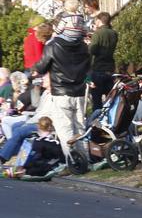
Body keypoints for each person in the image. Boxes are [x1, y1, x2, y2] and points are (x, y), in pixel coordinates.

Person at [31, 16, 90, 161]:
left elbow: (43, 66)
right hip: (80, 92)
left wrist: (35, 69)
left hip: (61, 91)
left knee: (65, 128)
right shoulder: (83, 46)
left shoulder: (53, 45)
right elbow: (88, 66)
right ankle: (85, 158)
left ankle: (72, 162)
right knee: (80, 127)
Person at [88, 12, 118, 112]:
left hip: (98, 68)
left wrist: (89, 44)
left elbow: (92, 50)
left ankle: (97, 121)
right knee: (110, 100)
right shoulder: (113, 33)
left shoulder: (98, 33)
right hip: (110, 68)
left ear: (99, 21)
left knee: (97, 101)